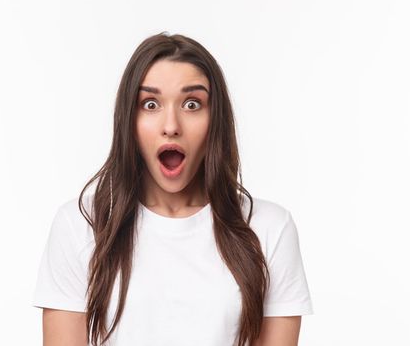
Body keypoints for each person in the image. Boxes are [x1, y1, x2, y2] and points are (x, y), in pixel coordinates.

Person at [32, 31, 313, 346]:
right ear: (129, 119)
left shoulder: (269, 228)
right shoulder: (80, 225)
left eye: (192, 104)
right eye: (150, 104)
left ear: (215, 119)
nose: (171, 125)